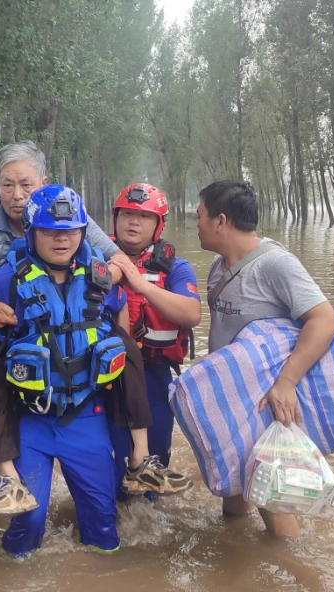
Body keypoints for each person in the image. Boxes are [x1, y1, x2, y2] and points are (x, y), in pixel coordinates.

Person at [0, 141, 162, 514]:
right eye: (7, 185)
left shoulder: (62, 210)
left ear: (43, 182)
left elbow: (117, 262)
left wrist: (96, 282)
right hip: (2, 315)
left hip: (65, 312)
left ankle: (140, 459)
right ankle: (6, 475)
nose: (16, 196)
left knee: (125, 349)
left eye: (26, 185)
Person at [0, 185, 124, 556]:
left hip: (85, 415)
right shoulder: (5, 281)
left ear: (82, 232)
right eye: (50, 231)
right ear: (30, 233)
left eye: (71, 231)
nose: (62, 240)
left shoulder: (99, 277)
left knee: (104, 525)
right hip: (30, 419)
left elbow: (120, 310)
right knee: (28, 521)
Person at [197, 180, 334, 538]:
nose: (195, 224)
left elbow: (325, 320)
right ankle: (239, 557)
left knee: (271, 498)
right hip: (233, 400)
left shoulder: (276, 264)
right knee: (234, 491)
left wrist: (286, 383)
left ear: (221, 221)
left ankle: (292, 568)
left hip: (265, 399)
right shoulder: (218, 266)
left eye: (199, 216)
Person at [108, 183, 201, 497]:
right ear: (115, 218)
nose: (133, 222)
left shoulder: (176, 267)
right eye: (127, 214)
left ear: (158, 225)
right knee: (108, 468)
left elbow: (191, 314)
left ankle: (148, 537)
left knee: (153, 467)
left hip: (153, 376)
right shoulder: (91, 257)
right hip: (101, 377)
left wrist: (140, 284)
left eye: (143, 217)